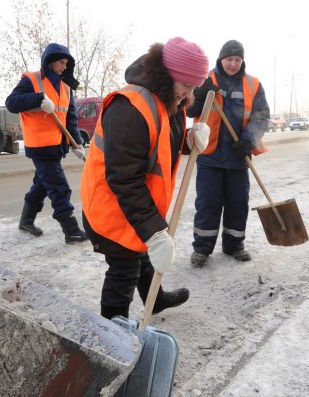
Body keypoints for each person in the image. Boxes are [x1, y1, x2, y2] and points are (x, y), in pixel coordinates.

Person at [80, 37, 211, 319]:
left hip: (135, 204)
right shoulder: (130, 108)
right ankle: (111, 334)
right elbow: (124, 179)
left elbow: (159, 146)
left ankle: (157, 298)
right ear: (167, 75)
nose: (188, 93)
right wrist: (153, 231)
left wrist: (189, 141)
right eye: (186, 85)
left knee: (142, 253)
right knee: (125, 268)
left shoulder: (170, 100)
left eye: (194, 87)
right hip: (111, 207)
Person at [187, 40, 270, 268]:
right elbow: (188, 109)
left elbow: (262, 115)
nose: (233, 64)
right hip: (209, 155)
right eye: (229, 59)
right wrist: (201, 95)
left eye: (237, 59)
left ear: (242, 61)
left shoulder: (253, 85)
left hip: (238, 156)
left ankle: (234, 245)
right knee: (207, 204)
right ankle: (202, 249)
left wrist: (248, 140)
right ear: (220, 59)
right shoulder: (205, 80)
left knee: (237, 203)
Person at [6, 43, 88, 244]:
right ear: (50, 62)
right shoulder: (32, 81)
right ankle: (71, 231)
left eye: (66, 63)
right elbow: (11, 103)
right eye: (61, 62)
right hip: (40, 146)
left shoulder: (66, 88)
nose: (64, 66)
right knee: (59, 188)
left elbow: (70, 119)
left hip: (56, 145)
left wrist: (76, 144)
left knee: (42, 184)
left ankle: (26, 221)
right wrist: (38, 99)